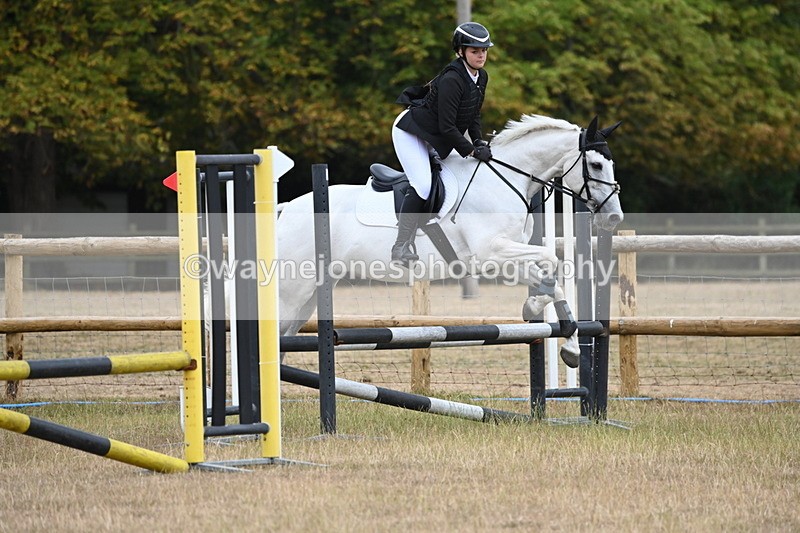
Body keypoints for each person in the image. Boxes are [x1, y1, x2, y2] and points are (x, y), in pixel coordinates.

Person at [390, 21, 494, 266]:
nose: (481, 55)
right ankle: (400, 246)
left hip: (434, 135)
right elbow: (448, 127)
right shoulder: (452, 79)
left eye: (484, 50)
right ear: (460, 51)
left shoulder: (481, 77)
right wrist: (469, 150)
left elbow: (472, 115)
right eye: (474, 51)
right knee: (424, 185)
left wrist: (478, 140)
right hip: (411, 131)